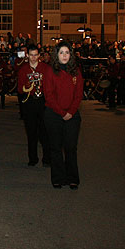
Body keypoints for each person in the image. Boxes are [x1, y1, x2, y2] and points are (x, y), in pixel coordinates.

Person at [43, 41, 84, 189]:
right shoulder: (50, 71)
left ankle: (72, 177)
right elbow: (49, 95)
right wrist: (61, 113)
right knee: (55, 148)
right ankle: (58, 178)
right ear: (57, 55)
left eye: (67, 52)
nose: (64, 55)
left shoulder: (76, 71)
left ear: (70, 55)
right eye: (61, 53)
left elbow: (79, 94)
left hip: (72, 115)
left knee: (71, 147)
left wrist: (71, 112)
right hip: (53, 114)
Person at [17, 45, 50, 167]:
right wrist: (26, 88)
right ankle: (32, 158)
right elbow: (20, 89)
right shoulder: (23, 70)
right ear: (27, 55)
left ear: (39, 56)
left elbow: (50, 86)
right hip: (30, 102)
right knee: (31, 132)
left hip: (43, 102)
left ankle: (47, 159)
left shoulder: (45, 68)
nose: (33, 57)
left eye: (36, 55)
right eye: (31, 55)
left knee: (44, 132)